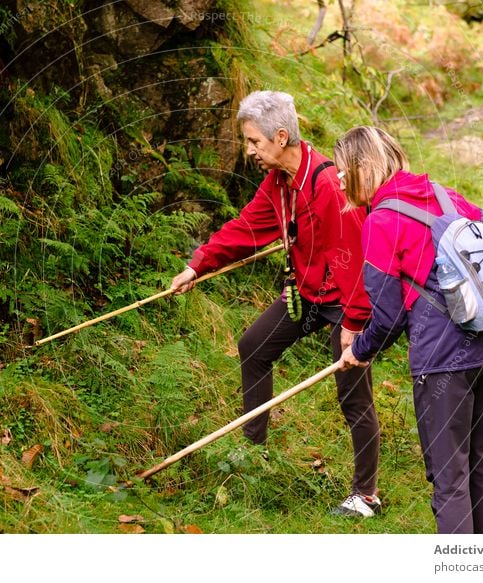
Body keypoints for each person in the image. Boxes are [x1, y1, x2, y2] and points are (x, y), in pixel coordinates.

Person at [171, 91, 381, 517]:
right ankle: (254, 454)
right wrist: (199, 264)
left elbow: (358, 261)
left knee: (351, 390)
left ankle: (366, 495)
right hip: (306, 294)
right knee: (254, 346)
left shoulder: (327, 183)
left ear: (281, 136)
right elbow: (249, 226)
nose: (249, 150)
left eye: (254, 142)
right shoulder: (280, 182)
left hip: (347, 300)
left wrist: (354, 326)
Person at [334, 125, 483, 533]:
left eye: (345, 169)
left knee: (450, 481)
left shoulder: (381, 220)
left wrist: (358, 351)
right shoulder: (442, 194)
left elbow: (387, 317)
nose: (340, 179)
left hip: (442, 363)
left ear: (365, 166)